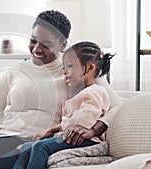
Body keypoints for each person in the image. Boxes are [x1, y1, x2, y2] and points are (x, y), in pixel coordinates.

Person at [0, 10, 122, 169]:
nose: (37, 49)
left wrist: (94, 129)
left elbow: (117, 107)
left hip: (31, 142)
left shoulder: (75, 72)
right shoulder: (14, 72)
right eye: (33, 40)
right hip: (1, 137)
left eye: (46, 45)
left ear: (63, 45)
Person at [12, 41, 115, 169]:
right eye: (63, 68)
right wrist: (51, 130)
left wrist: (57, 130)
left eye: (70, 66)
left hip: (86, 140)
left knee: (41, 146)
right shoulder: (82, 93)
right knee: (27, 147)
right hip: (73, 138)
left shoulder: (93, 92)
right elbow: (71, 123)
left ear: (89, 68)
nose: (64, 72)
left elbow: (83, 122)